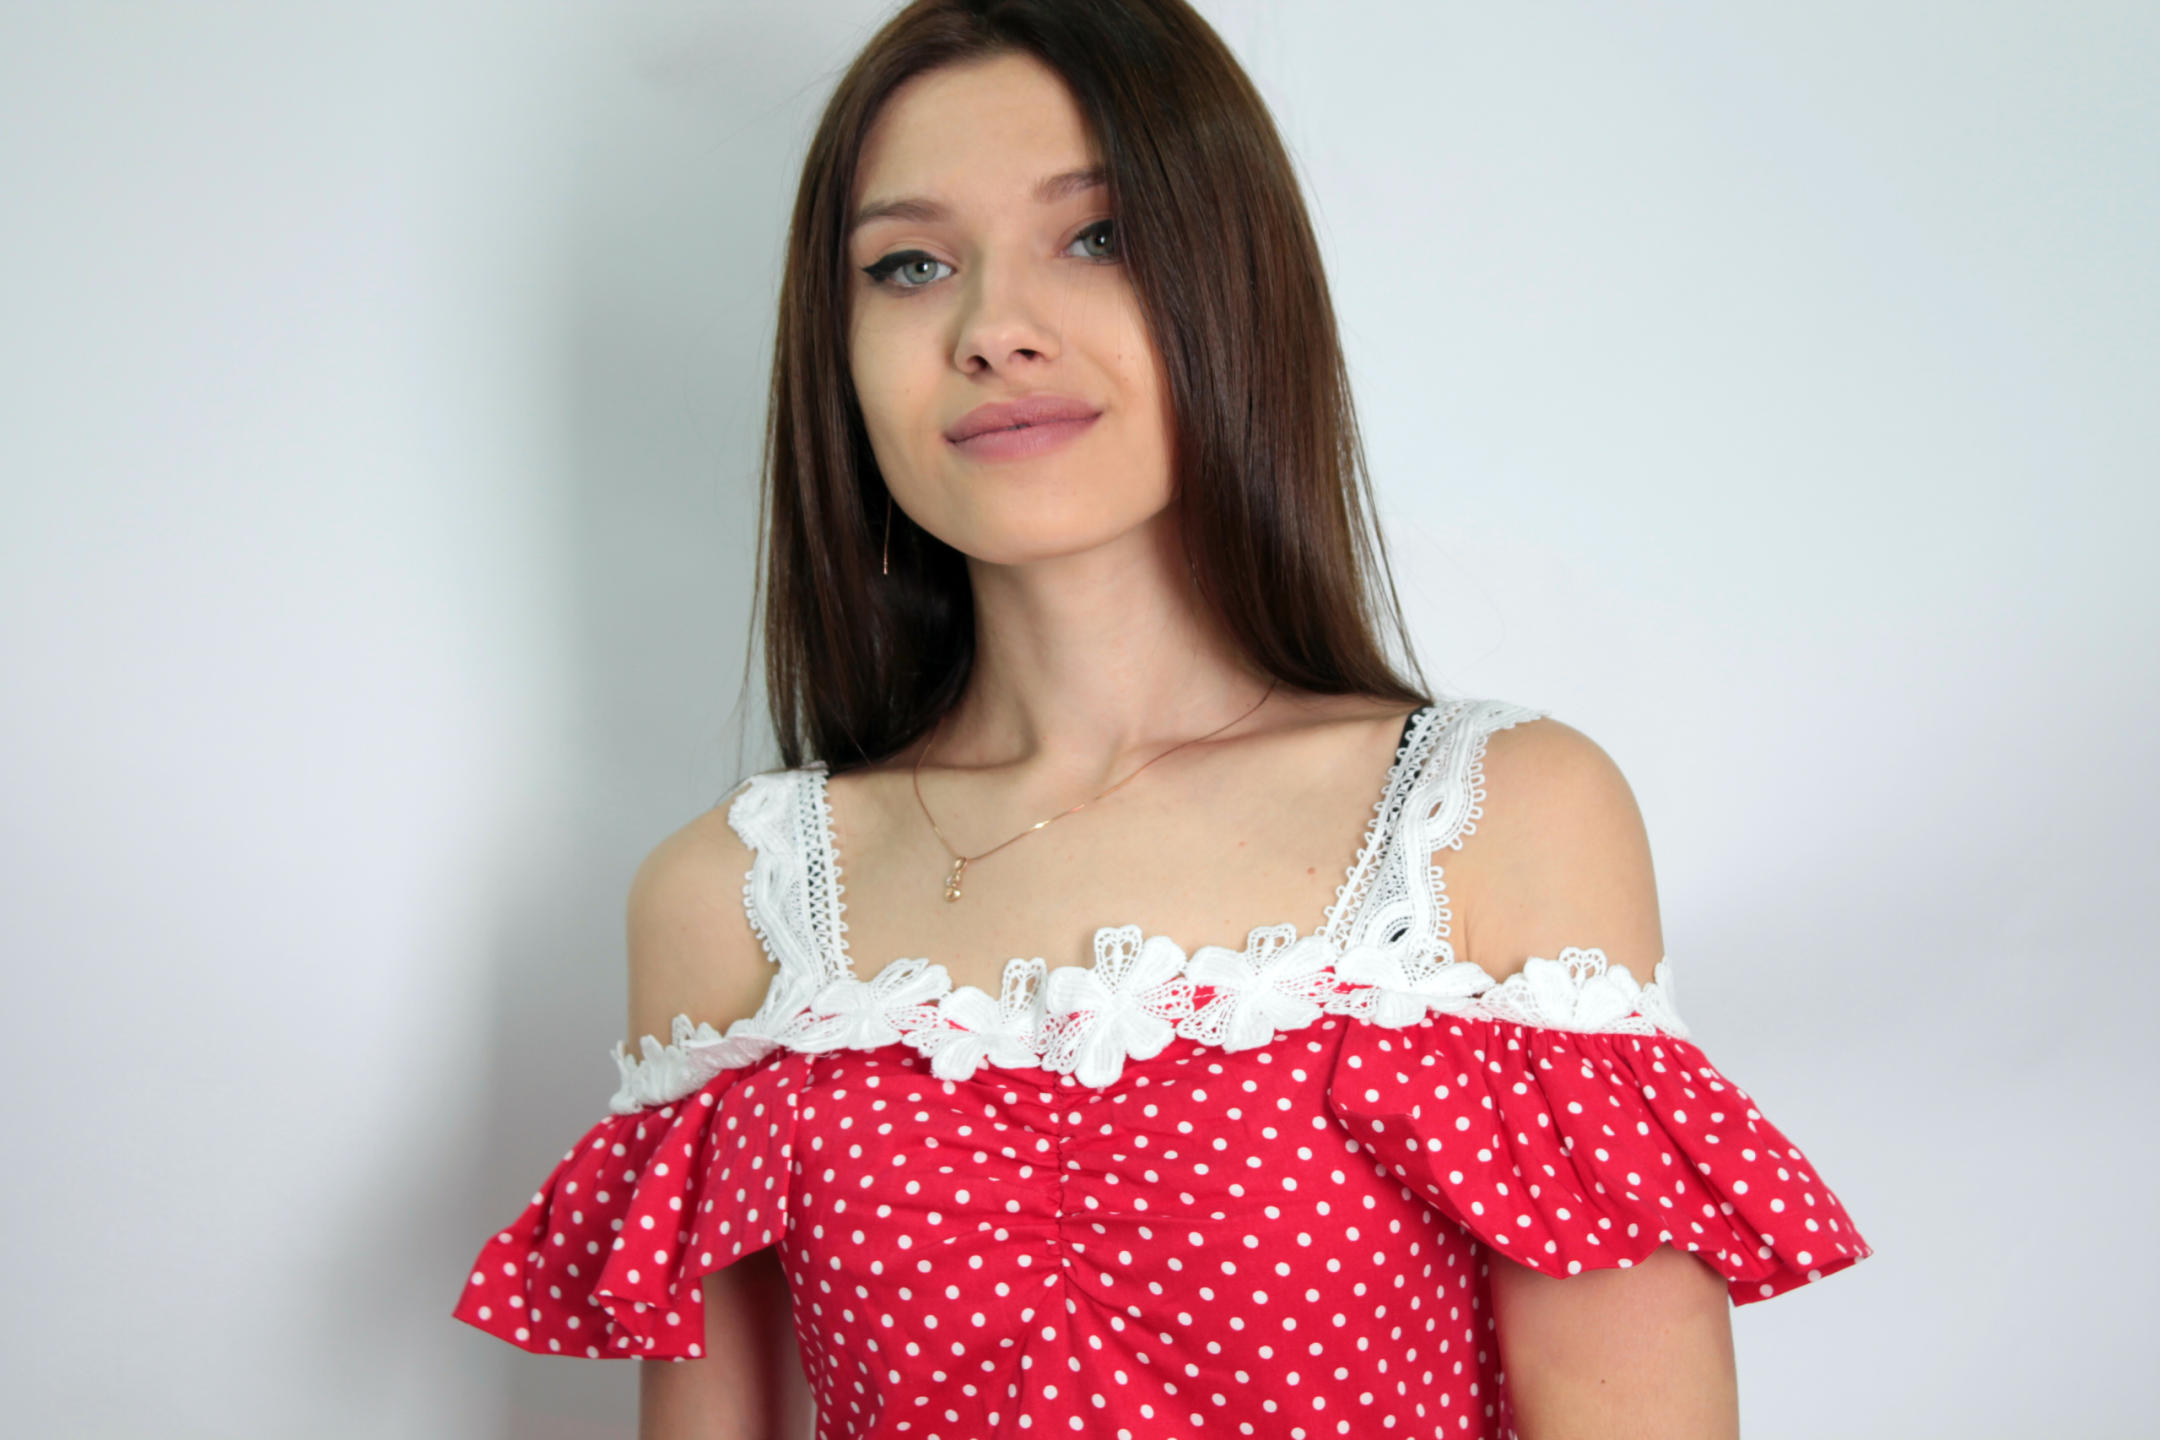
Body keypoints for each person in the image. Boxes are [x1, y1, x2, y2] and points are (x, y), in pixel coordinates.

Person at [452, 1, 1870, 1435]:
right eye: (910, 265)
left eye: (1097, 236)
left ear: (1235, 285)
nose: (993, 330)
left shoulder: (1490, 828)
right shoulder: (732, 901)